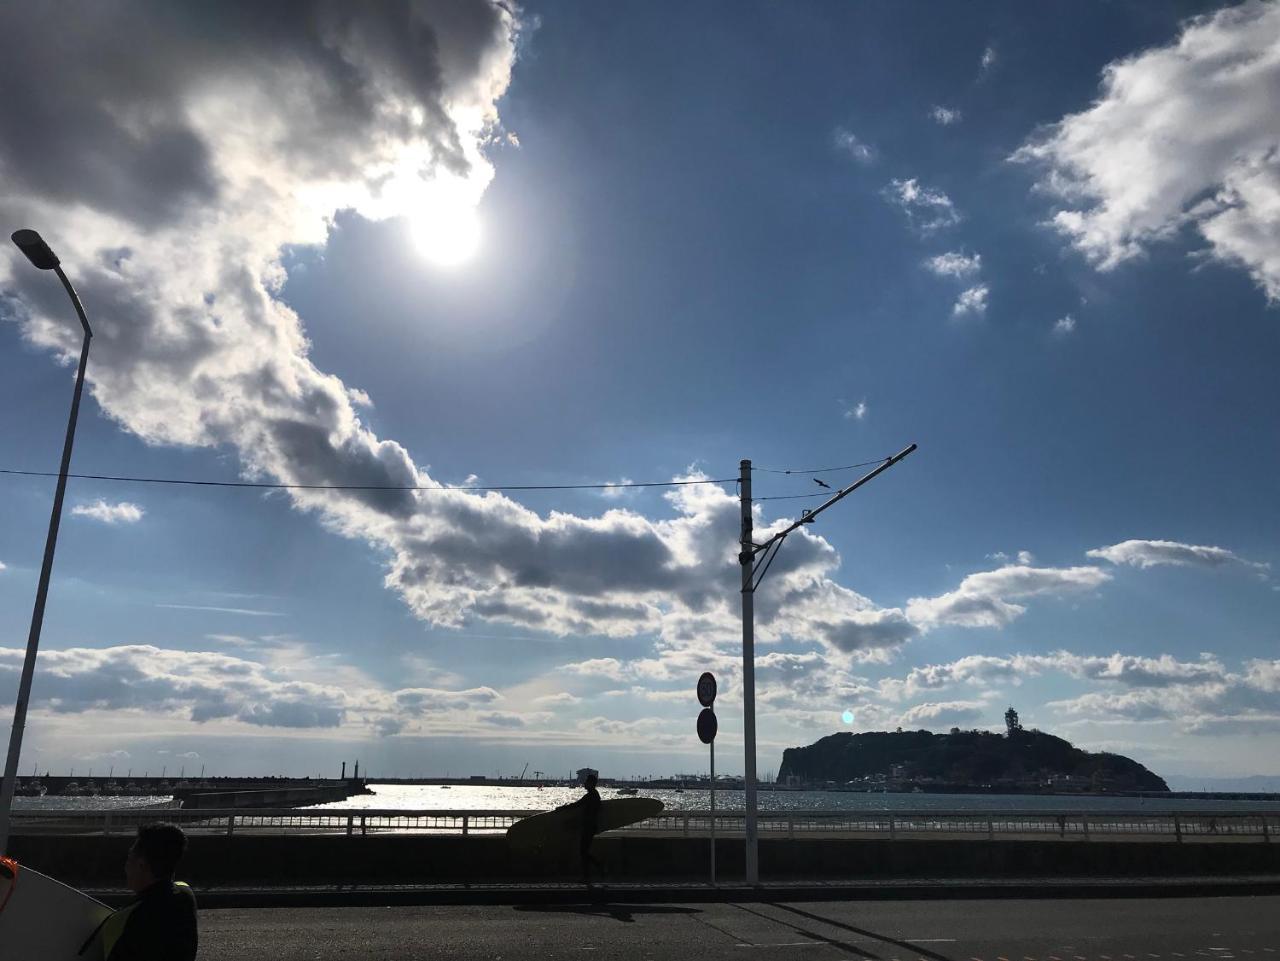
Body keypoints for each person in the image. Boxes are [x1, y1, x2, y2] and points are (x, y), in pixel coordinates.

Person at [88, 822, 198, 961]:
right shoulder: (186, 895)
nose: (126, 866)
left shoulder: (123, 920)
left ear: (141, 865)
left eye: (129, 859)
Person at [563, 772, 604, 884]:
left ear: (591, 783)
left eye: (586, 782)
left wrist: (563, 808)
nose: (584, 784)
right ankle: (589, 874)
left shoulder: (591, 795)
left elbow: (577, 805)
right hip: (589, 826)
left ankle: (595, 868)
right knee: (584, 851)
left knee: (583, 852)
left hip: (588, 827)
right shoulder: (594, 795)